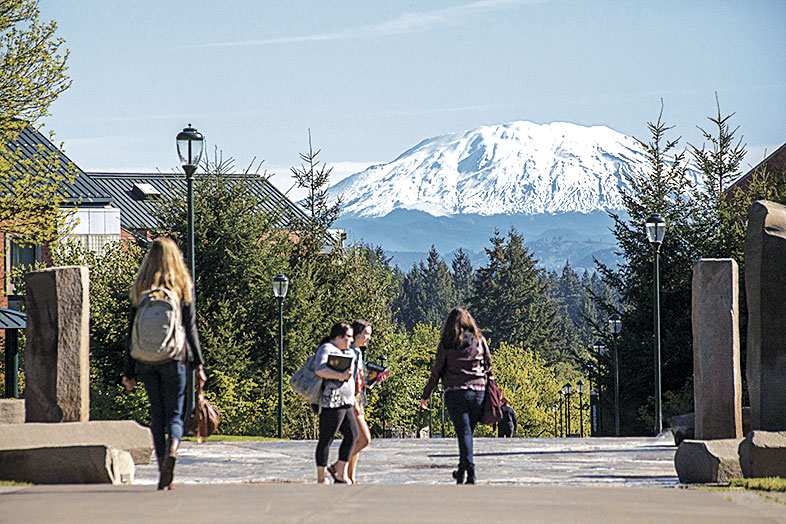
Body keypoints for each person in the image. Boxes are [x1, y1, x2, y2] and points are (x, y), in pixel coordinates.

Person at [122, 237, 207, 491]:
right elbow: (190, 328)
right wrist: (199, 364)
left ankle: (162, 469)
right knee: (175, 414)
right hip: (174, 358)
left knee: (156, 415)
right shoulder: (181, 286)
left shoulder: (141, 287)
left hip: (147, 360)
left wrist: (129, 371)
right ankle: (174, 448)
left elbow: (131, 332)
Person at [421, 307, 493, 485]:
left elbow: (436, 371)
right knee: (467, 432)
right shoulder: (479, 340)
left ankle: (470, 470)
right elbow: (488, 366)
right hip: (478, 391)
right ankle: (461, 470)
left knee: (464, 432)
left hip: (456, 392)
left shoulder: (447, 343)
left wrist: (426, 394)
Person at [329, 319, 381, 484]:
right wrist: (353, 401)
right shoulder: (352, 352)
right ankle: (338, 466)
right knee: (364, 439)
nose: (368, 338)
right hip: (351, 398)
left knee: (357, 438)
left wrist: (374, 378)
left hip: (357, 396)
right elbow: (348, 378)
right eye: (365, 334)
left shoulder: (358, 351)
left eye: (369, 334)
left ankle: (349, 476)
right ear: (357, 334)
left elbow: (358, 378)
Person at [314, 322, 361, 484]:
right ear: (339, 336)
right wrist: (340, 376)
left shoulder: (345, 351)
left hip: (346, 401)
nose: (351, 340)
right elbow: (319, 369)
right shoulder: (327, 349)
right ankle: (322, 476)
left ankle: (340, 471)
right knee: (327, 438)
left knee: (353, 434)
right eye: (348, 336)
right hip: (332, 401)